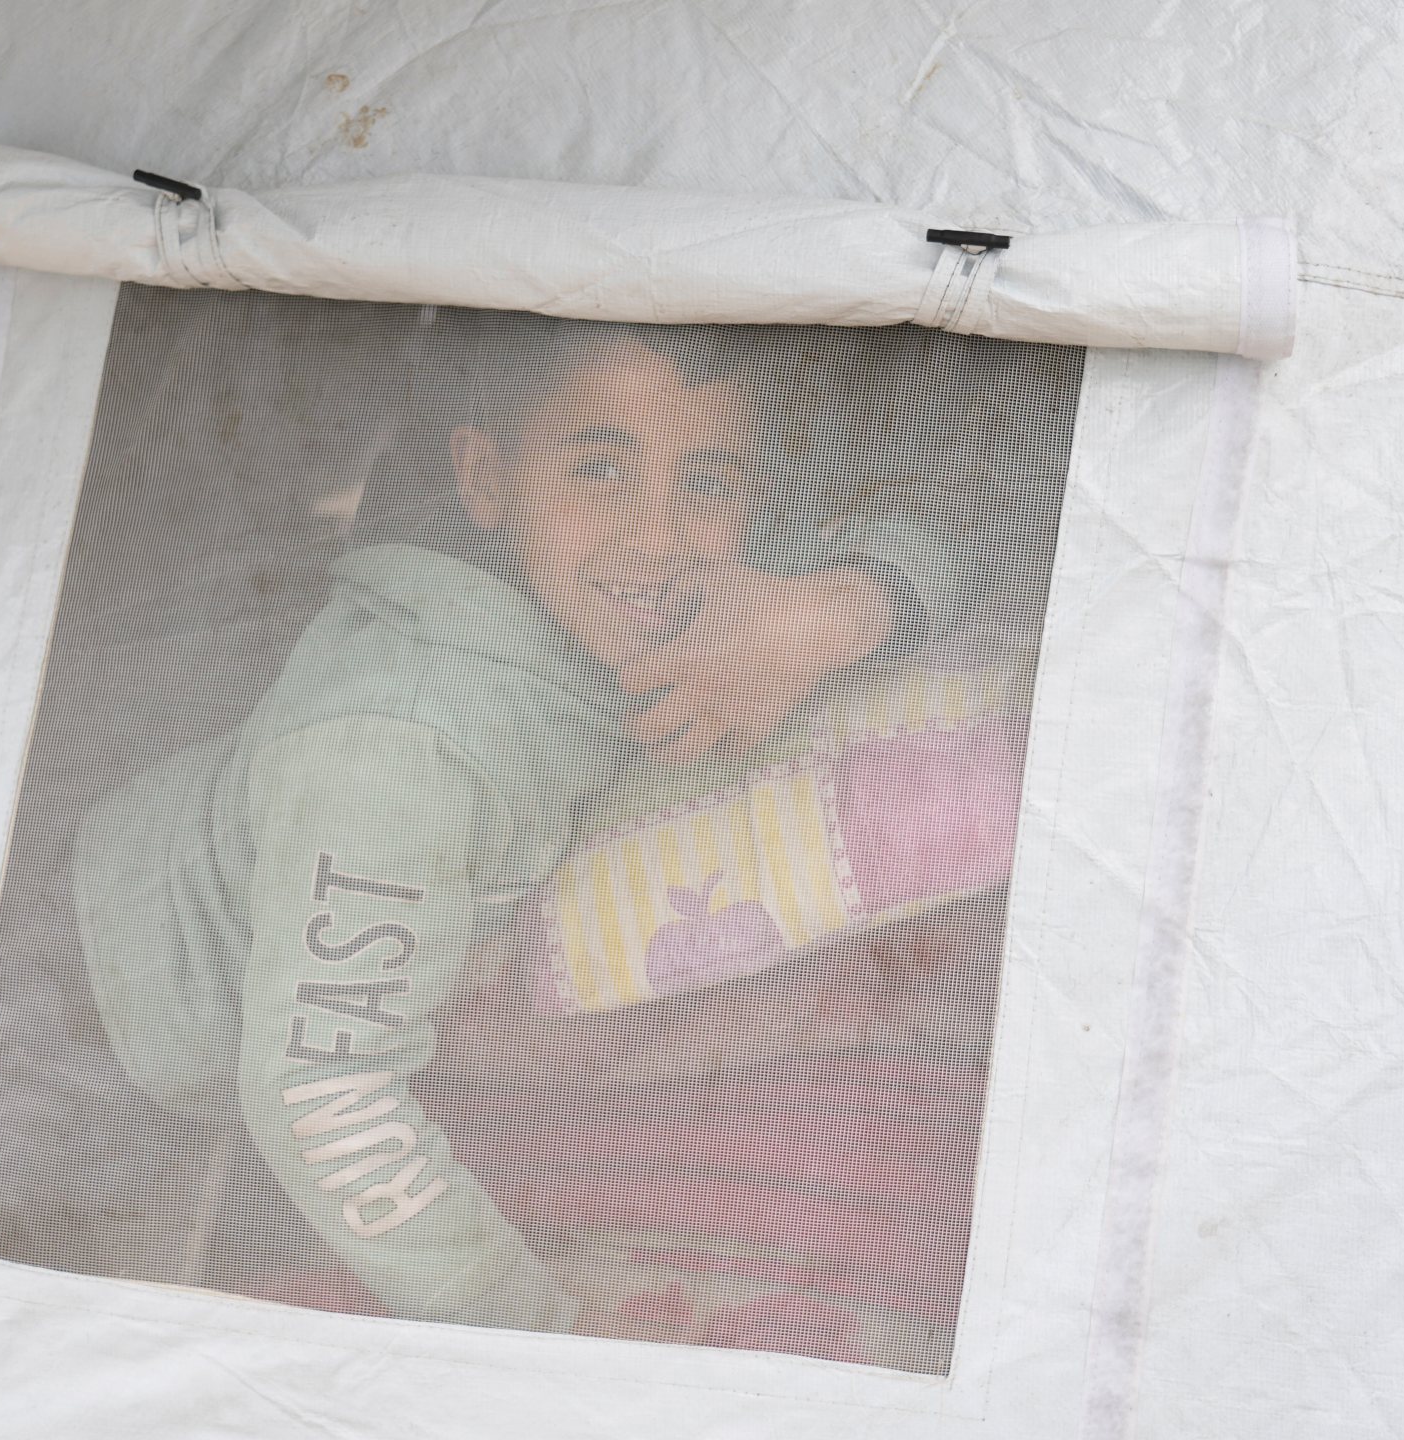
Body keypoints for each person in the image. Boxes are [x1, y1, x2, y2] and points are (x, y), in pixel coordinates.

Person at [69, 317, 967, 1335]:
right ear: (488, 480)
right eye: (599, 469)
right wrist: (537, 1341)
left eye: (708, 483)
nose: (658, 536)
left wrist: (846, 608)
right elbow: (322, 1090)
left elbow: (945, 539)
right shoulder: (402, 755)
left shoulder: (651, 606)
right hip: (92, 1025)